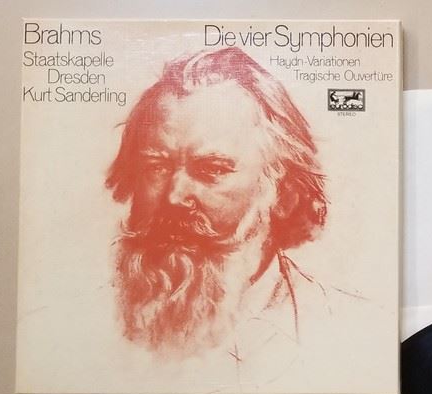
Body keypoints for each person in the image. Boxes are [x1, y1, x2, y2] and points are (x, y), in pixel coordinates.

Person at [105, 47, 331, 358]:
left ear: (285, 193)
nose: (174, 196)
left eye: (212, 169)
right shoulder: (82, 317)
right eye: (156, 167)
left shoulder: (334, 323)